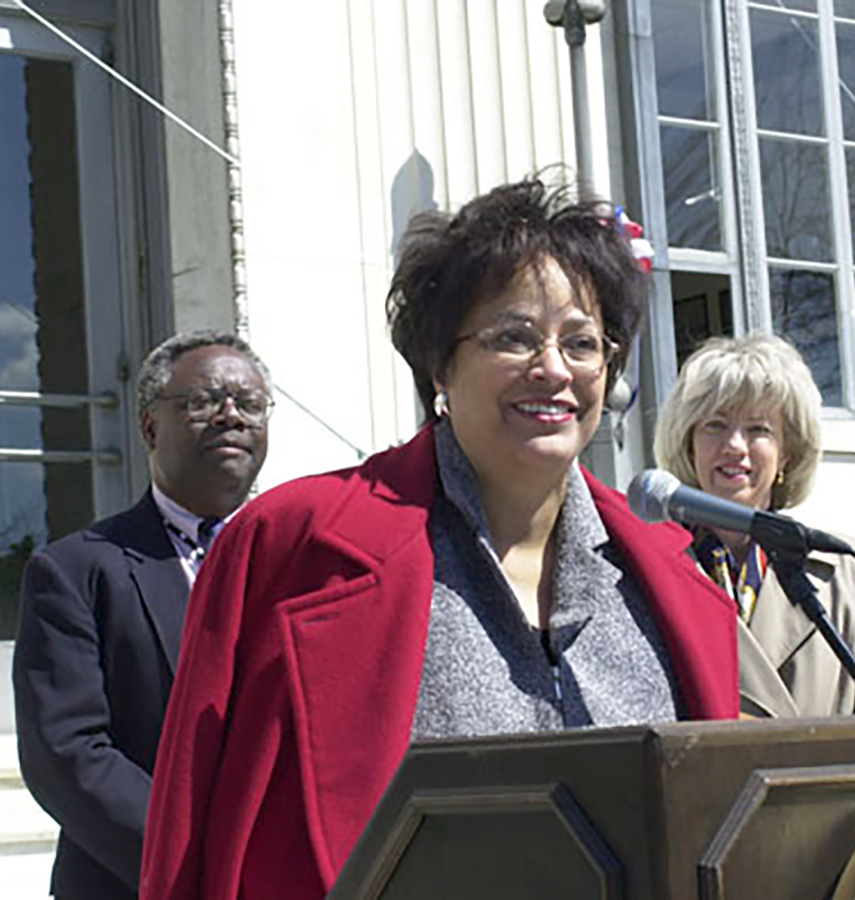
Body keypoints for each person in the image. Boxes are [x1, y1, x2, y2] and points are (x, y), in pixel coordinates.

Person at [140, 178, 739, 900]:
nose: (552, 367)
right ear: (439, 366)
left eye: (581, 342)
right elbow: (187, 837)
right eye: (513, 335)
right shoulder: (287, 548)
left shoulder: (674, 582)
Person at [13, 330, 272, 900]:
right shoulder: (75, 570)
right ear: (151, 427)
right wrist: (191, 861)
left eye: (250, 404)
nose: (231, 416)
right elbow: (66, 753)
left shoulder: (307, 562)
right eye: (203, 401)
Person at [653, 333, 855, 718]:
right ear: (688, 444)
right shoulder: (652, 571)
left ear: (786, 453)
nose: (734, 445)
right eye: (715, 424)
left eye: (758, 429)